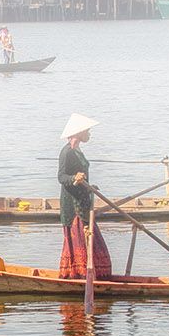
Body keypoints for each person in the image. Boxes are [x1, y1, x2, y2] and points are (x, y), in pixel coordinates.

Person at [58, 113, 112, 280]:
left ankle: (96, 276)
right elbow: (61, 177)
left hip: (83, 201)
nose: (89, 134)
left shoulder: (78, 151)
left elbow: (82, 175)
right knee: (80, 241)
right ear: (79, 132)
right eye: (87, 131)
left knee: (93, 241)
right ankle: (78, 276)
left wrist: (89, 187)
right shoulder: (67, 152)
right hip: (73, 206)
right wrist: (74, 178)